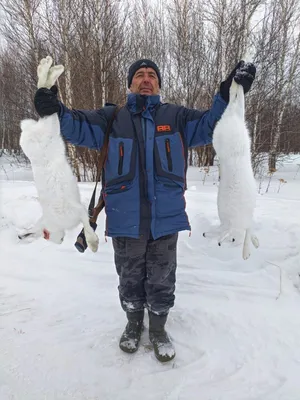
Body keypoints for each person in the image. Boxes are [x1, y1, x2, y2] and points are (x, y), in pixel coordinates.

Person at [34, 58, 256, 362]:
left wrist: (228, 93)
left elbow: (211, 124)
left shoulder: (176, 117)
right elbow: (74, 126)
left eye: (152, 75)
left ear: (159, 84)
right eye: (139, 75)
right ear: (130, 83)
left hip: (166, 221)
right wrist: (52, 106)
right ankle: (133, 323)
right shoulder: (111, 119)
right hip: (126, 222)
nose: (146, 79)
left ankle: (158, 329)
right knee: (129, 278)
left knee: (162, 279)